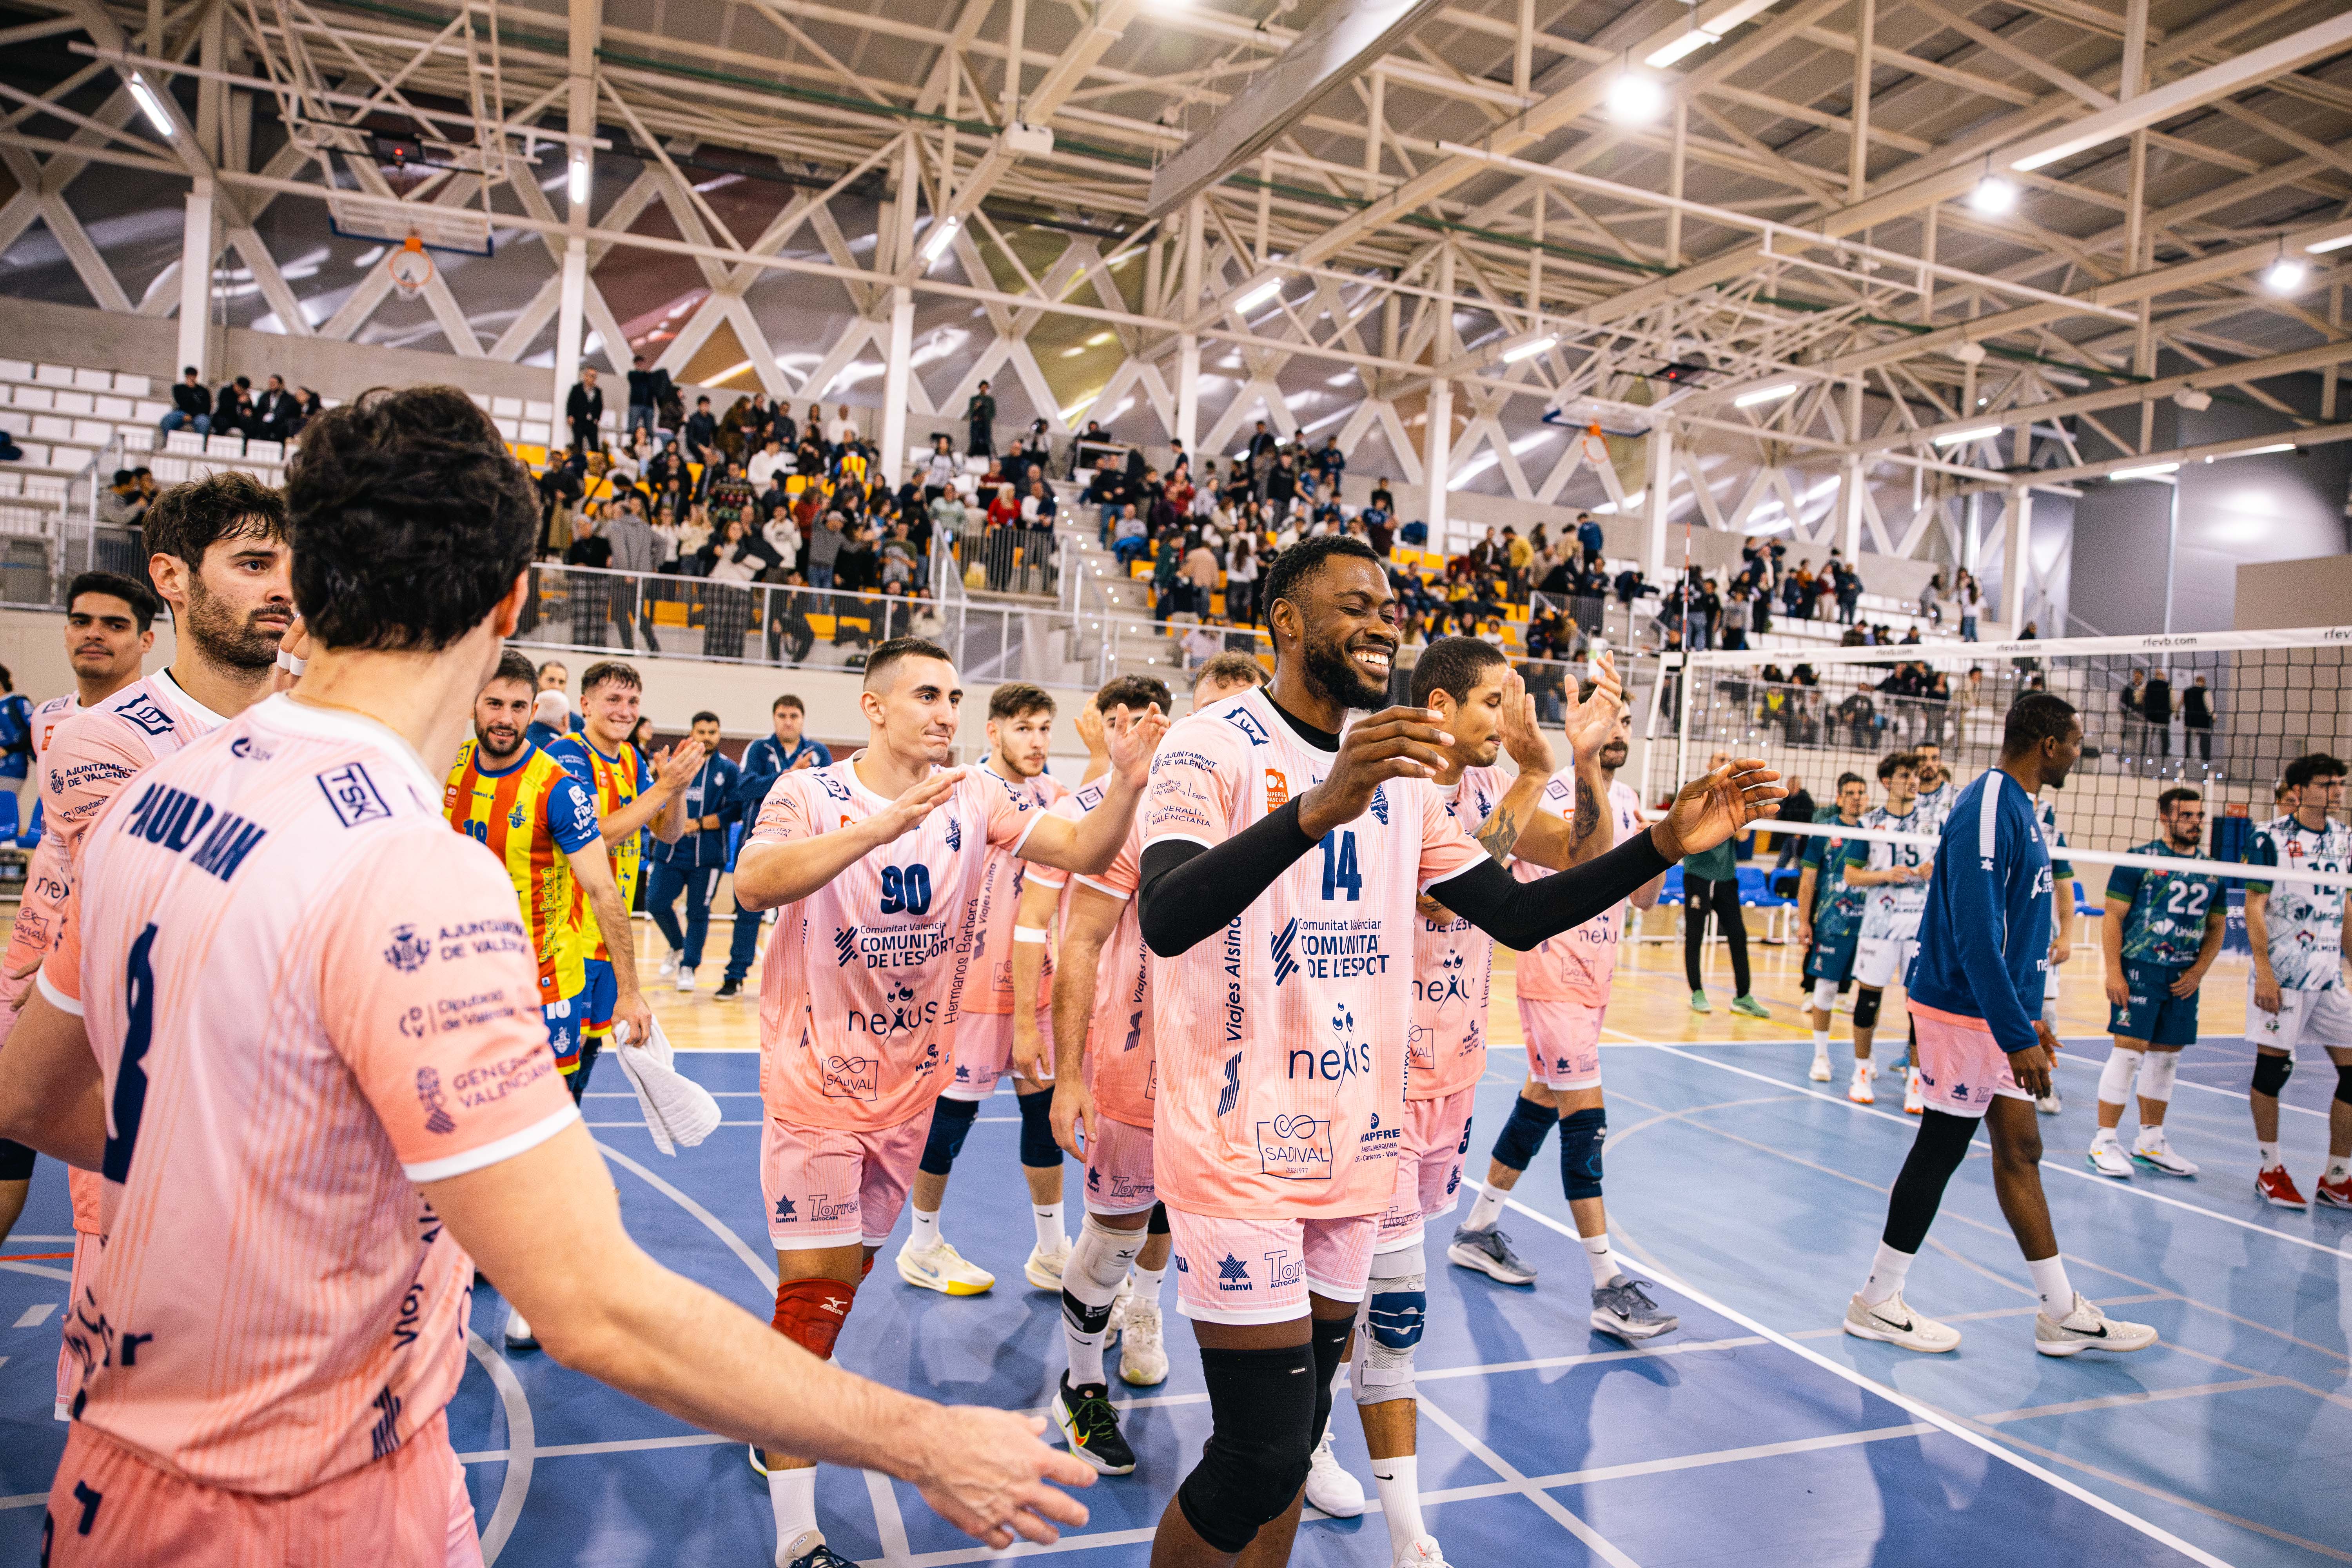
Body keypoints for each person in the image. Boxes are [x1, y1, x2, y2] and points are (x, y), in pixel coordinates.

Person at [0, 386, 1094, 1566]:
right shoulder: (414, 869)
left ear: (308, 580)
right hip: (305, 1499)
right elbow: (593, 1303)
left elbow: (31, 1097)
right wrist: (923, 1438)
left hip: (115, 1468)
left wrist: (270, 1177)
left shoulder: (153, 795)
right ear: (510, 601)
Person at [1129, 535, 1780, 1568]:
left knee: (1299, 1440)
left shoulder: (1402, 776)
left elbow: (1515, 916)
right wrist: (1315, 810)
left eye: (1389, 607)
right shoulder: (1210, 744)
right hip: (1237, 1147)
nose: (1383, 623)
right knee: (1255, 1455)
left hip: (1355, 1149)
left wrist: (1659, 845)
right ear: (1288, 622)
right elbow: (1166, 917)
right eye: (1355, 605)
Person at [729, 635, 1167, 1568]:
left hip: (908, 1087)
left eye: (954, 696)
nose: (946, 711)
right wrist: (879, 827)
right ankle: (798, 1533)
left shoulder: (973, 794)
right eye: (927, 694)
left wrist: (1127, 784)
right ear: (874, 706)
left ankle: (775, 1402)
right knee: (811, 1299)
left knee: (842, 1282)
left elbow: (1082, 847)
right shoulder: (810, 792)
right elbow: (754, 882)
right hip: (815, 1084)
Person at [14, 472, 293, 1425]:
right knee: (134, 1414)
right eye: (252, 563)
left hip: (288, 1126)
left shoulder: (322, 723)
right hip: (148, 1115)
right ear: (172, 577)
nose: (282, 587)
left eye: (291, 565)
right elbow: (173, 930)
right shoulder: (105, 740)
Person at [1341, 648, 1628, 1567]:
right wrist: (1539, 772)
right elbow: (1451, 895)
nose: (1511, 717)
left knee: (1361, 1290)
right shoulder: (1396, 788)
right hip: (1375, 1081)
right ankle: (1408, 1535)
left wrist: (1583, 762)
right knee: (1393, 1308)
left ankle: (1315, 1437)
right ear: (1441, 705)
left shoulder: (1490, 788)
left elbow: (1581, 854)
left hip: (1454, 1074)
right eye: (1496, 701)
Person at [1844, 692, 2158, 1358]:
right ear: (2049, 744)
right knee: (1942, 1144)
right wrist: (2015, 1033)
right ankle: (1876, 1301)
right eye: (2075, 742)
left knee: (2021, 1149)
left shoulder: (2023, 808)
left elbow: (2018, 930)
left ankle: (2061, 1313)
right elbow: (1977, 936)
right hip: (1963, 1009)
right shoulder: (1988, 805)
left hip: (1997, 1011)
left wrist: (2027, 1020)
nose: (2079, 754)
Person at [445, 650, 645, 1347]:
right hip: (462, 982)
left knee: (541, 1136)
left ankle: (536, 1285)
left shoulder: (558, 787)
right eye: (494, 704)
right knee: (466, 1124)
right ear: (475, 704)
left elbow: (603, 889)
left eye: (517, 707)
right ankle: (477, 1244)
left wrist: (631, 990)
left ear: (535, 710)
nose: (505, 719)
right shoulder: (446, 768)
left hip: (546, 986)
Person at [1454, 683, 1669, 1327]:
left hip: (1597, 985)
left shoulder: (1626, 801)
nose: (1619, 731)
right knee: (1586, 1122)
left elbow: (1645, 900)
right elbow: (1523, 860)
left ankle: (1478, 1229)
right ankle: (1608, 1285)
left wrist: (1665, 843)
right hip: (1552, 979)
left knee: (1540, 1102)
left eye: (1626, 721)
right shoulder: (1545, 794)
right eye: (1609, 720)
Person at [897, 684, 1074, 1296]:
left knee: (1044, 1118)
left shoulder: (1057, 798)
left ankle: (1051, 1250)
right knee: (950, 1122)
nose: (1037, 741)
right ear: (994, 731)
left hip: (1037, 990)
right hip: (970, 993)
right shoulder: (962, 792)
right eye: (1024, 728)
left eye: (1045, 728)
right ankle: (921, 1245)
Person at [0, 572, 158, 1252]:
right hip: (25, 955)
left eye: (115, 624)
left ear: (146, 640)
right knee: (9, 1126)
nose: (94, 634)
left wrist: (76, 958)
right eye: (82, 620)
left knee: (104, 1172)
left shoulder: (162, 730)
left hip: (94, 966)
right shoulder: (48, 719)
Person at [544, 662, 702, 1094]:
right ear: (585, 705)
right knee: (561, 1065)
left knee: (588, 1057)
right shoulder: (566, 755)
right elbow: (597, 835)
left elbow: (667, 832)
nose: (625, 710)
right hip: (569, 939)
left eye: (633, 701)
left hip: (609, 939)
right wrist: (662, 788)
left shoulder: (632, 759)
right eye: (613, 699)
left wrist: (677, 789)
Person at [2085, 788, 2225, 1180]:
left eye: (2199, 815)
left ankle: (2150, 1140)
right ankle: (2104, 1140)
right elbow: (2113, 917)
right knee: (2128, 1054)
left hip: (2183, 975)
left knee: (2166, 1059)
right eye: (2187, 815)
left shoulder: (2212, 869)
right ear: (2165, 817)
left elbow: (2217, 926)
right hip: (2141, 967)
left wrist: (2199, 971)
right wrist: (2114, 971)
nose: (2196, 822)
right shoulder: (2139, 860)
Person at [2244, 751, 2351, 1209]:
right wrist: (2264, 972)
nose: (2337, 791)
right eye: (2328, 783)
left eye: (2340, 783)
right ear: (2300, 790)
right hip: (2284, 975)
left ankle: (2337, 1177)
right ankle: (2270, 1169)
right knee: (2272, 1072)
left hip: (2329, 976)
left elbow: (2346, 907)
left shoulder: (2345, 838)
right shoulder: (2268, 837)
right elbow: (2254, 905)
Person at [717, 696, 833, 999]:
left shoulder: (818, 753)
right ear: (774, 718)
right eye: (782, 716)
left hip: (802, 849)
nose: (788, 721)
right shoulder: (759, 749)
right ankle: (735, 976)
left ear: (803, 719)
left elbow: (830, 797)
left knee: (802, 918)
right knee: (747, 914)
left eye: (794, 716)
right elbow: (744, 789)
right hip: (760, 845)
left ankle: (801, 981)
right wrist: (788, 775)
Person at [1842, 751, 1928, 1110]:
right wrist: (1886, 875)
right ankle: (1861, 1072)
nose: (1914, 782)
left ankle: (1917, 1081)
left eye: (1916, 776)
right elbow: (1851, 875)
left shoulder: (1933, 821)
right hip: (1880, 926)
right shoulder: (1869, 824)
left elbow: (1951, 866)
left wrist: (1935, 869)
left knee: (1920, 1007)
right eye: (1906, 775)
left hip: (1921, 926)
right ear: (1887, 782)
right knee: (1868, 1000)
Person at [648, 710, 743, 994]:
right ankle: (678, 947)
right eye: (702, 732)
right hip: (670, 850)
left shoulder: (729, 770)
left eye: (713, 732)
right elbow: (657, 796)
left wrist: (698, 824)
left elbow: (735, 811)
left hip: (708, 855)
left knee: (698, 912)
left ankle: (688, 966)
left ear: (719, 734)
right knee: (655, 902)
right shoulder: (677, 764)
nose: (707, 738)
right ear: (692, 733)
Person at [1681, 748, 1769, 1020]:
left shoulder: (1734, 796)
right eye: (1721, 760)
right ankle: (1697, 992)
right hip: (1699, 874)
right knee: (1695, 935)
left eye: (1728, 761)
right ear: (1710, 764)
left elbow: (1743, 838)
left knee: (1738, 935)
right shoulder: (1698, 793)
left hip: (1725, 877)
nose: (1726, 764)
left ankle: (1743, 996)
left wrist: (1744, 802)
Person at [1798, 773, 1871, 1083]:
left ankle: (1867, 1058)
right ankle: (1820, 1057)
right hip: (1832, 923)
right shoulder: (1824, 832)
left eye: (1861, 793)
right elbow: (1808, 880)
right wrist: (1804, 921)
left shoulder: (1875, 831)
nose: (1857, 798)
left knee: (1869, 992)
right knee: (1826, 988)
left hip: (1869, 924)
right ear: (1839, 798)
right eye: (1850, 793)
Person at [159, 365, 211, 436]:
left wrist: (192, 415)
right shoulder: (178, 388)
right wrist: (189, 390)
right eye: (189, 375)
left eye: (193, 375)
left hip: (198, 414)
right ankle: (170, 440)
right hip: (182, 413)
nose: (191, 377)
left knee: (204, 423)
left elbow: (206, 407)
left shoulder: (204, 391)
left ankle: (201, 442)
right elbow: (182, 402)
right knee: (167, 421)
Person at [567, 365, 604, 458]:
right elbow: (571, 403)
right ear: (585, 376)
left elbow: (600, 406)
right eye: (591, 376)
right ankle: (578, 461)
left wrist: (597, 418)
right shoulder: (577, 389)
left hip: (591, 422)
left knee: (594, 445)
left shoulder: (597, 391)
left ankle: (595, 463)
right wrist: (570, 415)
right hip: (579, 421)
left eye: (594, 376)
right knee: (578, 444)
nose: (592, 379)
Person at [2181, 675, 2216, 762]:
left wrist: (2177, 713)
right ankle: (2205, 758)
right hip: (2203, 722)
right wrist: (2214, 717)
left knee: (2189, 741)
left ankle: (2188, 757)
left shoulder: (2187, 691)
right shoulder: (2206, 692)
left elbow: (2181, 703)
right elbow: (2210, 707)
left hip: (2190, 721)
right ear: (2203, 682)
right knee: (2205, 740)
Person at [966, 379, 997, 457]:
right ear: (980, 388)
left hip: (986, 423)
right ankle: (972, 452)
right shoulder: (974, 399)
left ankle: (988, 453)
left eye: (986, 387)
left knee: (987, 440)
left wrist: (986, 417)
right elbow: (971, 411)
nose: (984, 389)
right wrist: (976, 409)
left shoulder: (990, 400)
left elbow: (993, 413)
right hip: (976, 423)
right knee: (974, 439)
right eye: (983, 387)